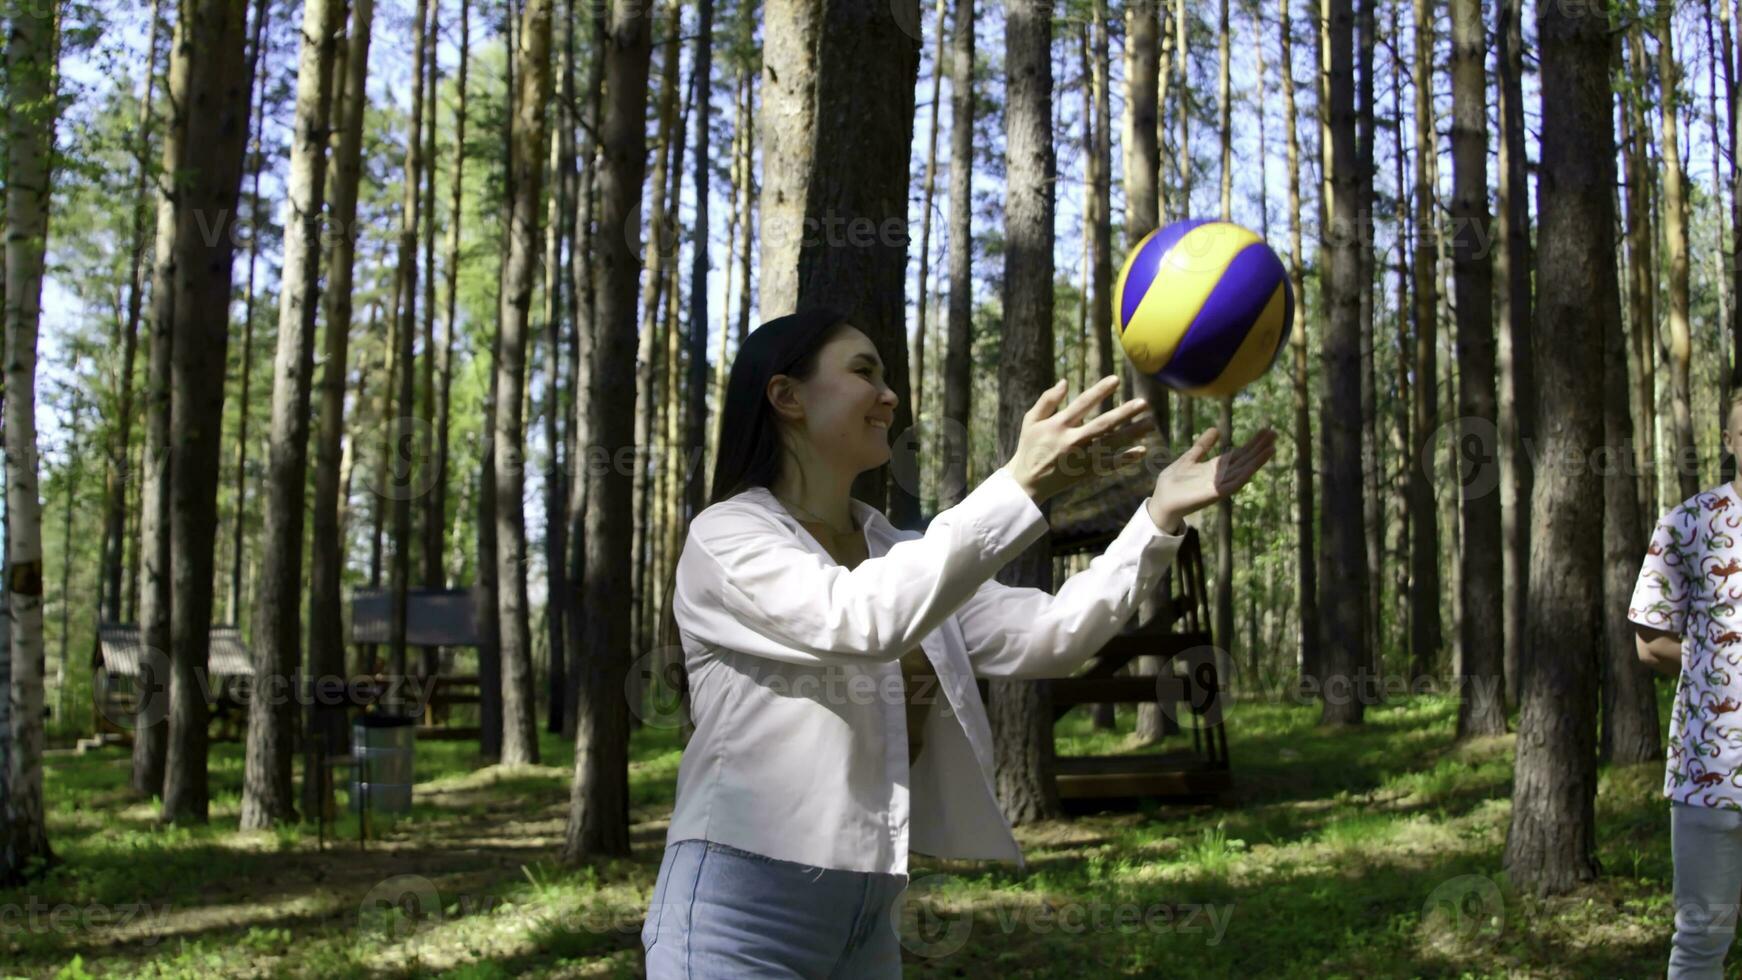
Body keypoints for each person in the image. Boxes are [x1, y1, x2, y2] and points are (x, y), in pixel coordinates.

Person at [641, 306, 1276, 977]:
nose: (891, 395)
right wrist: (1019, 485)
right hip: (742, 907)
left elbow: (1052, 634)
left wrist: (1158, 518)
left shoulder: (900, 555)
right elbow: (857, 618)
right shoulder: (727, 537)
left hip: (871, 907)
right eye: (864, 372)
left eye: (887, 376)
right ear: (786, 396)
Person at [1633, 391, 1742, 980]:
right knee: (1701, 942)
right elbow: (1649, 643)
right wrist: (1719, 655)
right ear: (1728, 442)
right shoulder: (1687, 523)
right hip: (1709, 775)